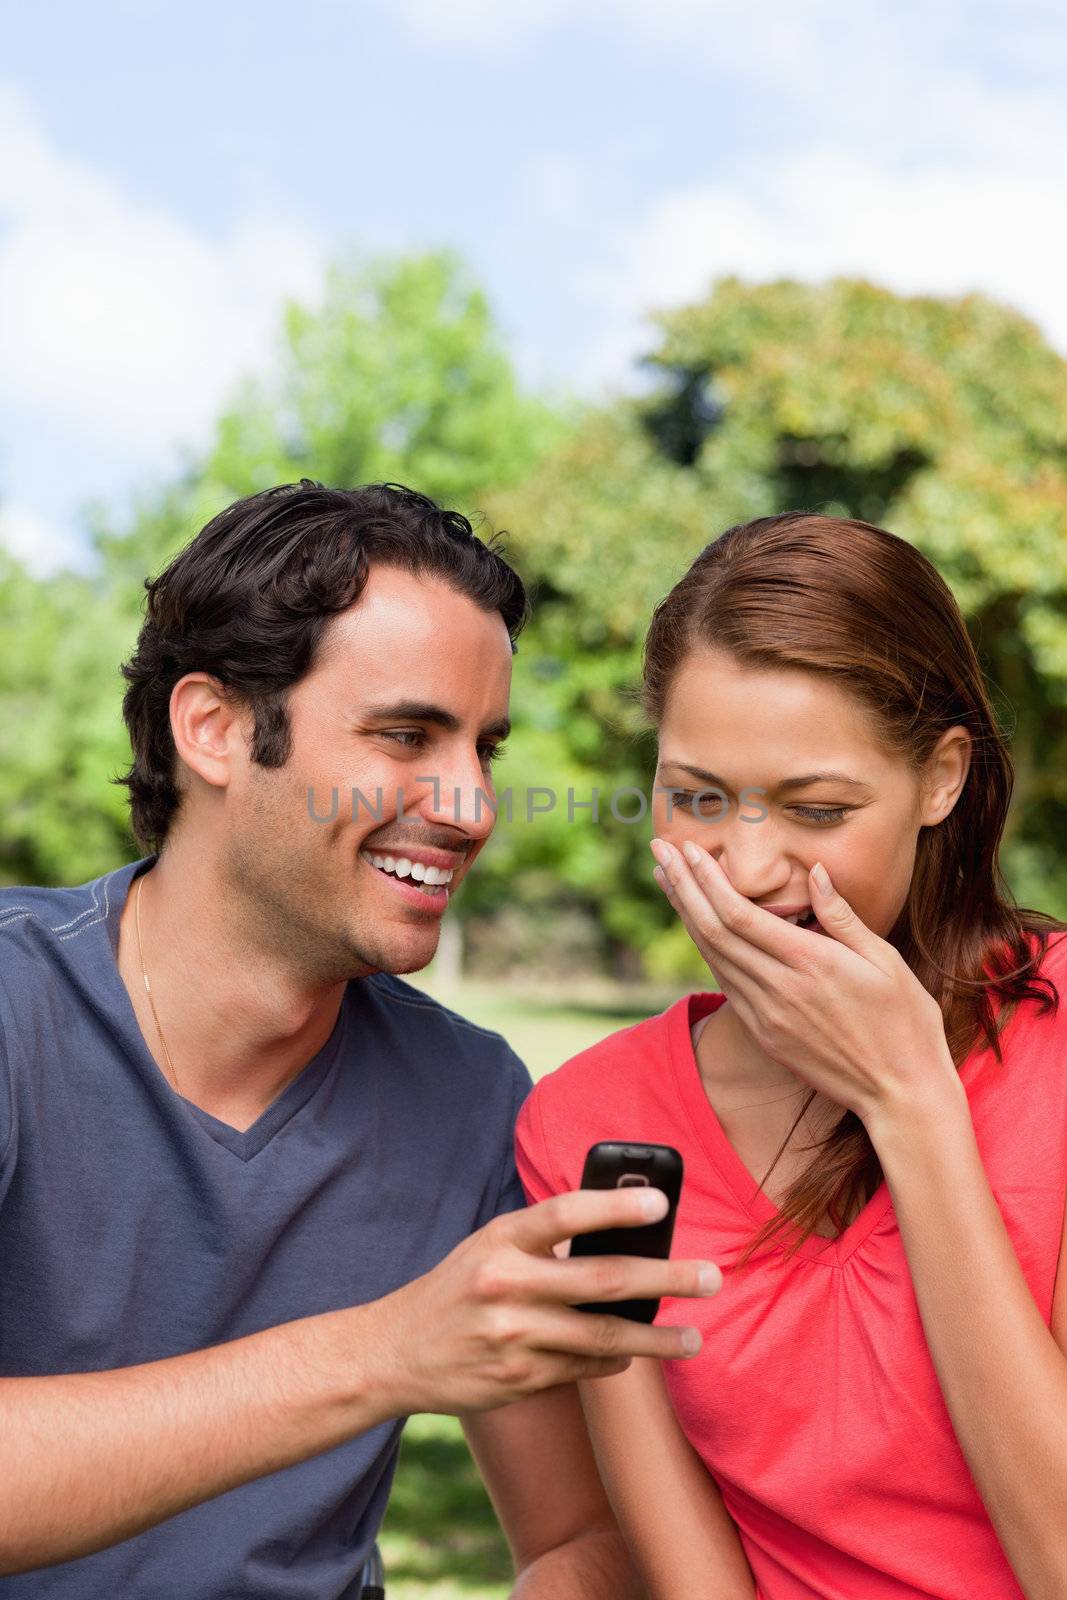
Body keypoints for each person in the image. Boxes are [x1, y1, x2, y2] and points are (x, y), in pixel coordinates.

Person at [0, 481, 725, 1597]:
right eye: (405, 733)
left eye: (483, 745)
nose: (472, 804)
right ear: (215, 729)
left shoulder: (468, 1096)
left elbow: (577, 1539)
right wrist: (381, 1353)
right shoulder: (15, 1010)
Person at [515, 510, 1067, 1600]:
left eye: (815, 808)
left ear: (941, 779)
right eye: (696, 798)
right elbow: (688, 1574)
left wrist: (907, 1099)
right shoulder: (591, 1120)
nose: (750, 867)